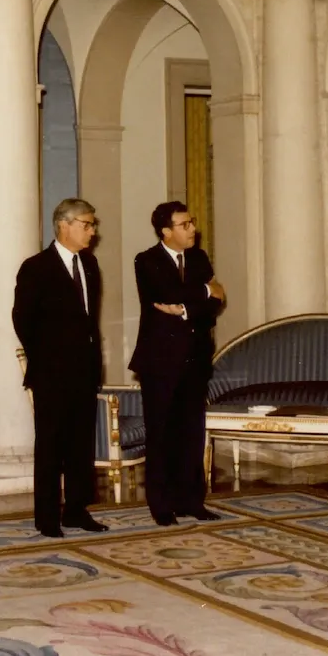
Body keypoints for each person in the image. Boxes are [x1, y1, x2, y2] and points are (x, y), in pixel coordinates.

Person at [13, 198, 109, 538]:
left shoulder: (90, 265)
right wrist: (49, 359)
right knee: (51, 444)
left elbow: (89, 320)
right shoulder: (36, 266)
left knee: (81, 444)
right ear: (64, 225)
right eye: (87, 224)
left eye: (92, 224)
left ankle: (77, 511)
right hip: (52, 372)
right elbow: (22, 320)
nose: (92, 231)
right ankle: (48, 517)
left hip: (85, 370)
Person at [128, 201, 225, 525]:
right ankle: (161, 505)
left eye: (192, 222)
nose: (192, 228)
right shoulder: (147, 260)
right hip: (160, 362)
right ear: (166, 231)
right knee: (162, 433)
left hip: (195, 360)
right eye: (185, 225)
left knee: (191, 433)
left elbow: (216, 302)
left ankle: (191, 502)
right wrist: (203, 293)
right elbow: (165, 295)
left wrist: (185, 307)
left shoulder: (199, 258)